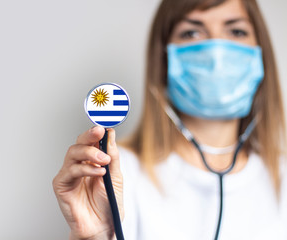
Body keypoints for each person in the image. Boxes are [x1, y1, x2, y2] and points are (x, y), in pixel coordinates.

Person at [53, 0, 287, 239]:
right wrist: (96, 236)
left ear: (261, 54)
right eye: (192, 32)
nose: (216, 51)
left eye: (236, 31)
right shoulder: (113, 174)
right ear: (164, 60)